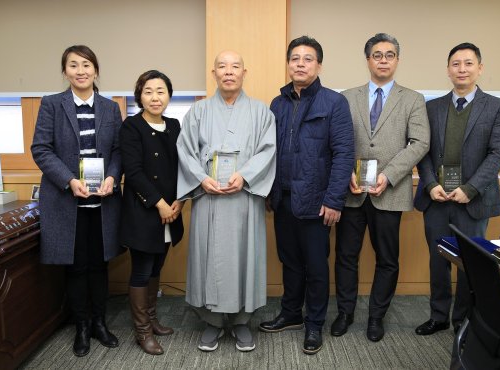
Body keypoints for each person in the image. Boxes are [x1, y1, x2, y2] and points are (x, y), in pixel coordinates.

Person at [331, 33, 430, 342]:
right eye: (377, 55)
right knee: (346, 256)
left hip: (390, 191)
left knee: (388, 259)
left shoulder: (413, 99)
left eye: (389, 55)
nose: (383, 60)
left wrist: (389, 174)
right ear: (368, 60)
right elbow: (335, 141)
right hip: (352, 192)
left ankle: (376, 317)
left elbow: (420, 142)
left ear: (397, 60)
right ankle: (345, 313)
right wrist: (346, 171)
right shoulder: (345, 97)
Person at [259, 36, 354, 355]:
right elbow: (269, 152)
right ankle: (290, 314)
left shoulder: (334, 102)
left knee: (316, 266)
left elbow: (344, 154)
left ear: (319, 65)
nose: (300, 63)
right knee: (289, 261)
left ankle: (314, 324)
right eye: (295, 58)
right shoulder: (277, 103)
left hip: (317, 200)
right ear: (288, 64)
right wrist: (270, 192)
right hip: (283, 198)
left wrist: (334, 200)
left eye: (308, 59)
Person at [176, 50, 276, 353]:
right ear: (214, 73)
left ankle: (243, 321)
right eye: (222, 66)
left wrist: (245, 176)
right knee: (209, 257)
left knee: (245, 256)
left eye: (235, 67)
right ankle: (212, 321)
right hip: (209, 197)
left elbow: (267, 150)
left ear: (245, 73)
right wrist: (201, 178)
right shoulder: (198, 112)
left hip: (243, 197)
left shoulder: (261, 112)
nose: (228, 72)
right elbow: (185, 150)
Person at [414, 43, 500, 336]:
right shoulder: (431, 107)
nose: (462, 69)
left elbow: (499, 154)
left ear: (479, 68)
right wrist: (430, 185)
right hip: (438, 199)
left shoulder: (497, 107)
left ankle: (465, 319)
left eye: (468, 64)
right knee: (437, 259)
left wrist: (470, 188)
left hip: (473, 200)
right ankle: (438, 316)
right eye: (455, 64)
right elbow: (423, 152)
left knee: (469, 264)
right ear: (448, 70)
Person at [31, 45, 122, 357]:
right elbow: (41, 148)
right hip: (66, 201)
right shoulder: (52, 105)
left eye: (86, 64)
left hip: (103, 203)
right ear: (65, 71)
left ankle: (100, 322)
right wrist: (70, 181)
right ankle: (81, 326)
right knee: (76, 267)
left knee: (99, 264)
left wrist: (112, 176)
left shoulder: (111, 108)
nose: (80, 70)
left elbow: (119, 151)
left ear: (96, 70)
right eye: (73, 65)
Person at [119, 70, 184, 355]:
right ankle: (142, 331)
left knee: (158, 266)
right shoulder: (131, 126)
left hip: (172, 209)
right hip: (144, 211)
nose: (155, 97)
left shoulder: (174, 124)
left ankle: (153, 319)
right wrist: (159, 203)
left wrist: (180, 201)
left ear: (169, 95)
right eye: (148, 91)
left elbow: (184, 166)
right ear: (139, 96)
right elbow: (133, 172)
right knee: (142, 270)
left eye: (160, 91)